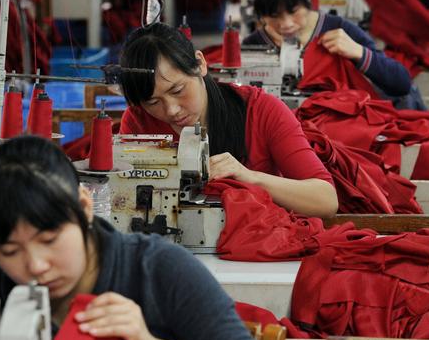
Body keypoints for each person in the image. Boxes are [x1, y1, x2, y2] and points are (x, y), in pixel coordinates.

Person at [0, 135, 282, 340]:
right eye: (9, 251)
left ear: (85, 207)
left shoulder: (159, 270)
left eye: (49, 240)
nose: (35, 266)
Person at [118, 22, 339, 218]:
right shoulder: (139, 121)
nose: (172, 110)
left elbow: (326, 200)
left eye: (177, 90)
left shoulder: (261, 110)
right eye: (153, 102)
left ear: (200, 64)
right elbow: (123, 197)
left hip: (252, 248)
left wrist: (251, 178)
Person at [252, 0, 418, 103]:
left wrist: (360, 53)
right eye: (274, 17)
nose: (286, 24)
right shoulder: (254, 45)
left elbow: (402, 84)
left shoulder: (339, 30)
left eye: (294, 11)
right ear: (262, 17)